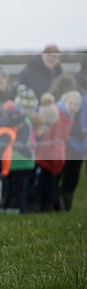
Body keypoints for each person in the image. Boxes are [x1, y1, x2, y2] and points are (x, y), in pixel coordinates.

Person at [33, 91, 82, 212]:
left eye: (77, 105)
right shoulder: (56, 115)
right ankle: (40, 207)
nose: (73, 107)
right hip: (46, 156)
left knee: (51, 184)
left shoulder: (70, 117)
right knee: (42, 184)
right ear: (64, 102)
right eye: (71, 103)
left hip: (56, 156)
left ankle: (49, 207)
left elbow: (62, 140)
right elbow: (50, 138)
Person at [61, 53, 87, 210]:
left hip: (84, 138)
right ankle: (60, 206)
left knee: (74, 175)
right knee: (66, 172)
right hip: (71, 137)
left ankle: (66, 207)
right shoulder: (74, 81)